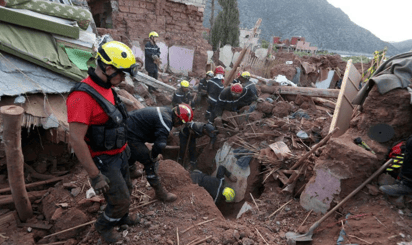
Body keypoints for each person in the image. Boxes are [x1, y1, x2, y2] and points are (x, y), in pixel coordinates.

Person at [67, 41, 139, 243]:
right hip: (103, 160)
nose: (123, 78)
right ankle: (104, 227)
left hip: (119, 154)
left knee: (127, 189)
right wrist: (95, 175)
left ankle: (122, 217)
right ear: (108, 68)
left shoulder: (107, 86)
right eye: (122, 73)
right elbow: (76, 138)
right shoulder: (82, 96)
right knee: (119, 198)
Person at [126, 104, 194, 202]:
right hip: (130, 134)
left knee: (137, 150)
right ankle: (161, 193)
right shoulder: (166, 121)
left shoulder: (166, 110)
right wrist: (154, 155)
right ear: (177, 119)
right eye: (181, 123)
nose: (180, 125)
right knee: (148, 161)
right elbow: (160, 145)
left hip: (130, 127)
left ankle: (131, 170)